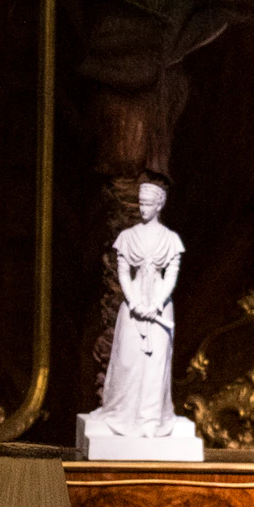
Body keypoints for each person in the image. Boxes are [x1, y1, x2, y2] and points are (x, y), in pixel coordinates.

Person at [99, 177, 184, 439]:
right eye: (141, 203)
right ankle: (123, 413)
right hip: (133, 306)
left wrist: (156, 304)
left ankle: (150, 419)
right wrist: (135, 303)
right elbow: (123, 272)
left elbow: (171, 275)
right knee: (129, 360)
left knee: (156, 363)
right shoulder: (128, 237)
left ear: (159, 206)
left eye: (148, 204)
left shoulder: (170, 239)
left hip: (160, 307)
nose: (143, 208)